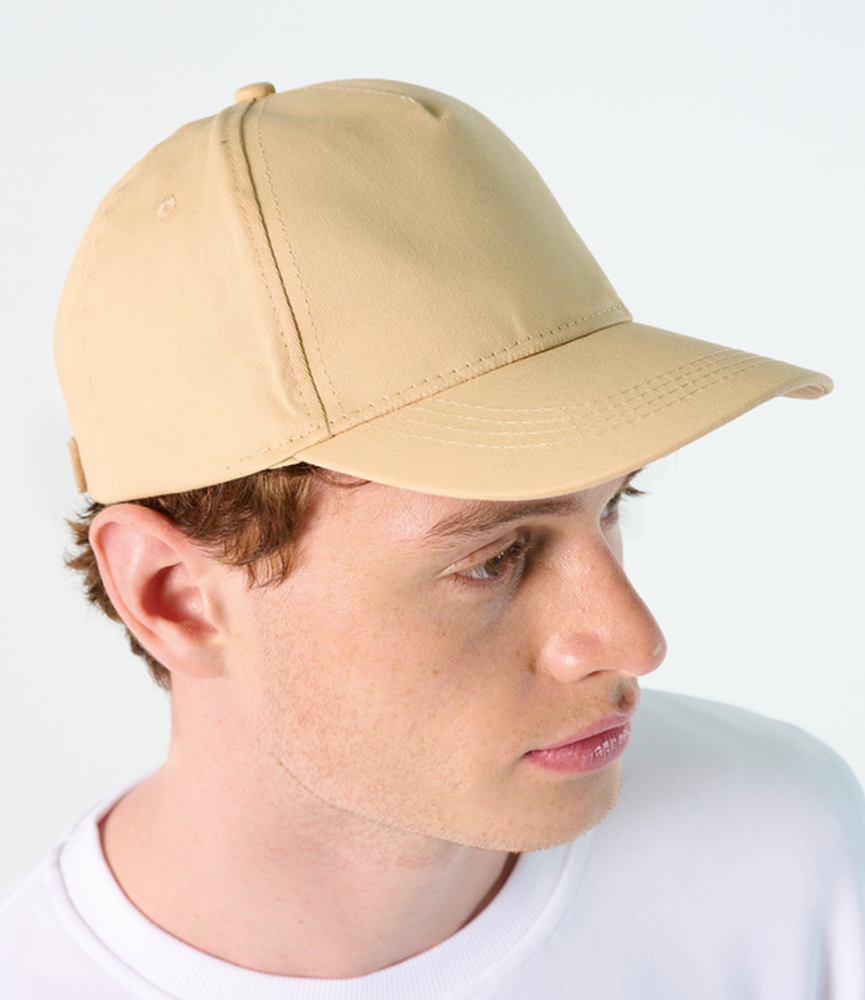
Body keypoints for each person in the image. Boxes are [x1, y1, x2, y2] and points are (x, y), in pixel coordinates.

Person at [2, 78, 862, 998]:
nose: (633, 641)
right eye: (492, 559)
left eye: (614, 503)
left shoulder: (781, 845)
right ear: (173, 597)